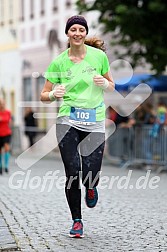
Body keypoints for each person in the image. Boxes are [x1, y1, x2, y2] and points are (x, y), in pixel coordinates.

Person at [41, 15, 115, 238]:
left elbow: (112, 85)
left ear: (85, 33)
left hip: (94, 121)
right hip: (68, 121)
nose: (77, 33)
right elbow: (44, 95)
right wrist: (54, 94)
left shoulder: (99, 56)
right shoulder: (59, 62)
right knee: (72, 171)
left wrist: (105, 83)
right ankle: (77, 221)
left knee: (90, 172)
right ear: (67, 33)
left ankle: (91, 187)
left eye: (81, 29)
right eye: (73, 29)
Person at [0, 98, 12, 174]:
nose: (2, 105)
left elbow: (9, 121)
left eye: (3, 103)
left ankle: (6, 166)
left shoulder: (8, 112)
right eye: (1, 104)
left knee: (7, 148)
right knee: (0, 151)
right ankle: (0, 166)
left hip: (7, 133)